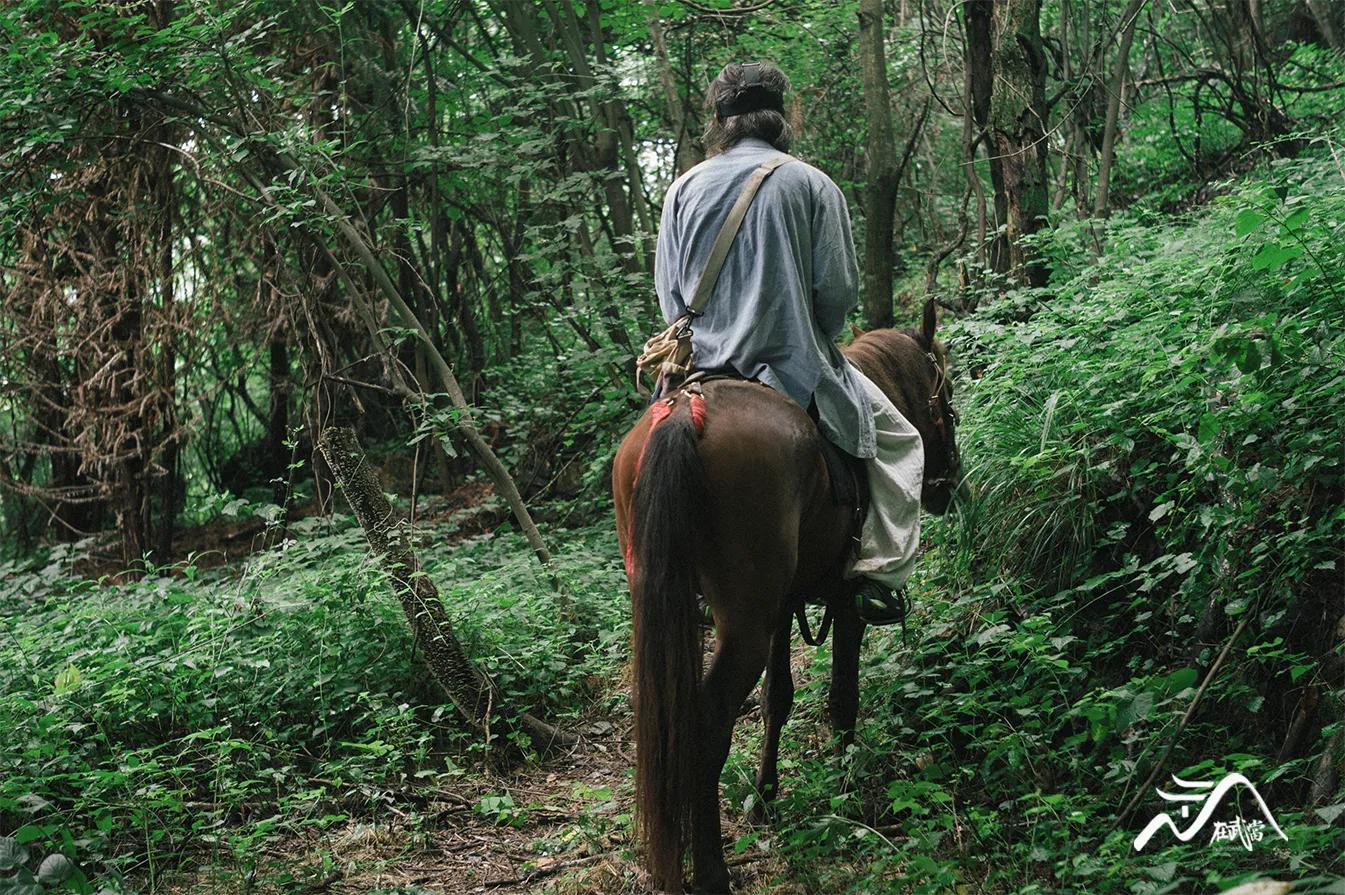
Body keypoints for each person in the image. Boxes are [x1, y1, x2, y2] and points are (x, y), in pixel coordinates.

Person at [652, 61, 925, 626]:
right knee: (900, 442)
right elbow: (837, 298)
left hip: (697, 376)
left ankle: (671, 578)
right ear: (779, 117)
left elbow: (670, 301)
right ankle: (875, 574)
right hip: (791, 372)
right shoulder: (811, 183)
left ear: (720, 122)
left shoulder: (682, 189)